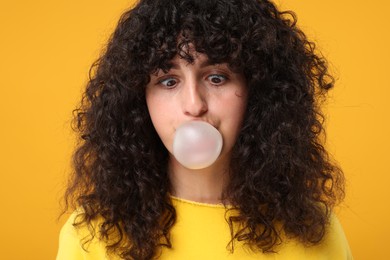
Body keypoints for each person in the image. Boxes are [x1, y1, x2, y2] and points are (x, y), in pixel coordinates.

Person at [56, 0, 353, 259]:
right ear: (138, 100)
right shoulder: (94, 236)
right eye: (168, 81)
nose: (194, 105)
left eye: (217, 78)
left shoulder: (316, 233)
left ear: (258, 90)